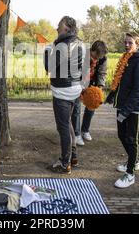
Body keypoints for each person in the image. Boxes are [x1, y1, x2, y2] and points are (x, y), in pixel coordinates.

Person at [105, 32, 139, 188]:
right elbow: (121, 82)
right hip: (122, 105)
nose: (127, 45)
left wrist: (126, 110)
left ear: (137, 44)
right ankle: (134, 161)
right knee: (121, 135)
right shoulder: (126, 58)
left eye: (130, 43)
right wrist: (111, 95)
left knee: (131, 139)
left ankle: (130, 174)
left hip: (132, 108)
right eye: (125, 42)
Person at [44, 16, 85, 174]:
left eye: (59, 27)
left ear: (67, 29)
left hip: (63, 92)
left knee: (63, 128)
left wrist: (47, 51)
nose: (56, 29)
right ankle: (73, 157)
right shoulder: (80, 43)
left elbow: (49, 67)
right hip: (75, 89)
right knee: (69, 126)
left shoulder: (63, 45)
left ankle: (64, 163)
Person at [74, 40, 108, 146]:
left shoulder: (103, 58)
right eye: (95, 56)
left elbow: (102, 73)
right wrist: (79, 87)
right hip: (79, 82)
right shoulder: (82, 56)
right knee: (76, 109)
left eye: (100, 57)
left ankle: (85, 130)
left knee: (91, 107)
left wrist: (99, 89)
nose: (97, 59)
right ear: (91, 51)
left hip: (92, 84)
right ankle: (76, 134)